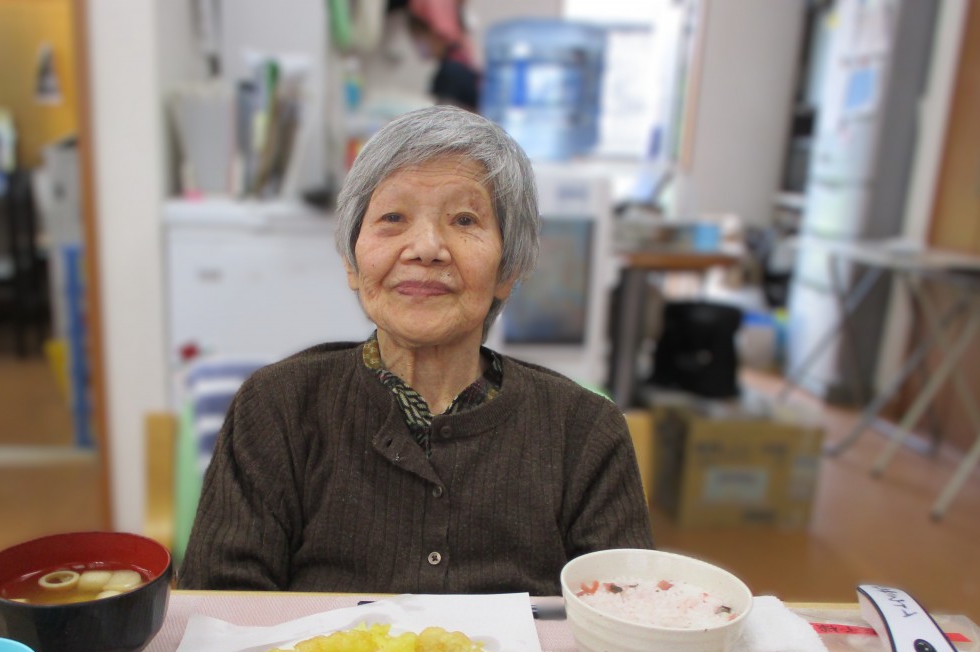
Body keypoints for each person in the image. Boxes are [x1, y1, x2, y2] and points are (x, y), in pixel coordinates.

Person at [178, 105, 653, 595]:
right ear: (352, 264)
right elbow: (220, 605)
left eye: (464, 219)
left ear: (507, 271)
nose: (426, 247)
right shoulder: (276, 407)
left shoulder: (585, 431)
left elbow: (626, 614)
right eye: (393, 217)